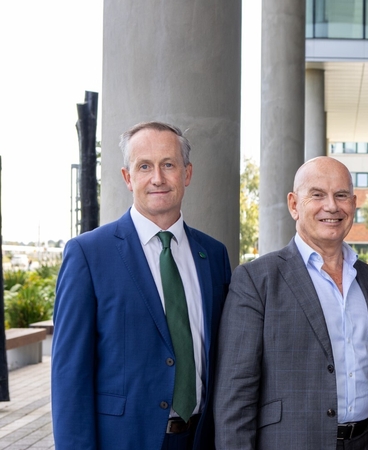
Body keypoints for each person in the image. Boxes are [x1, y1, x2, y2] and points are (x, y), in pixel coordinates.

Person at [51, 122, 232, 450]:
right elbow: (69, 377)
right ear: (127, 177)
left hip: (202, 439)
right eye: (144, 166)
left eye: (168, 165)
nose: (158, 178)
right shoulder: (88, 254)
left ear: (187, 174)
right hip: (124, 440)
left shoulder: (214, 255)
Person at [213, 157, 368, 450]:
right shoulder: (257, 281)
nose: (331, 206)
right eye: (317, 195)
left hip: (365, 442)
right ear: (294, 205)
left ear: (353, 204)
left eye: (341, 195)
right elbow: (235, 398)